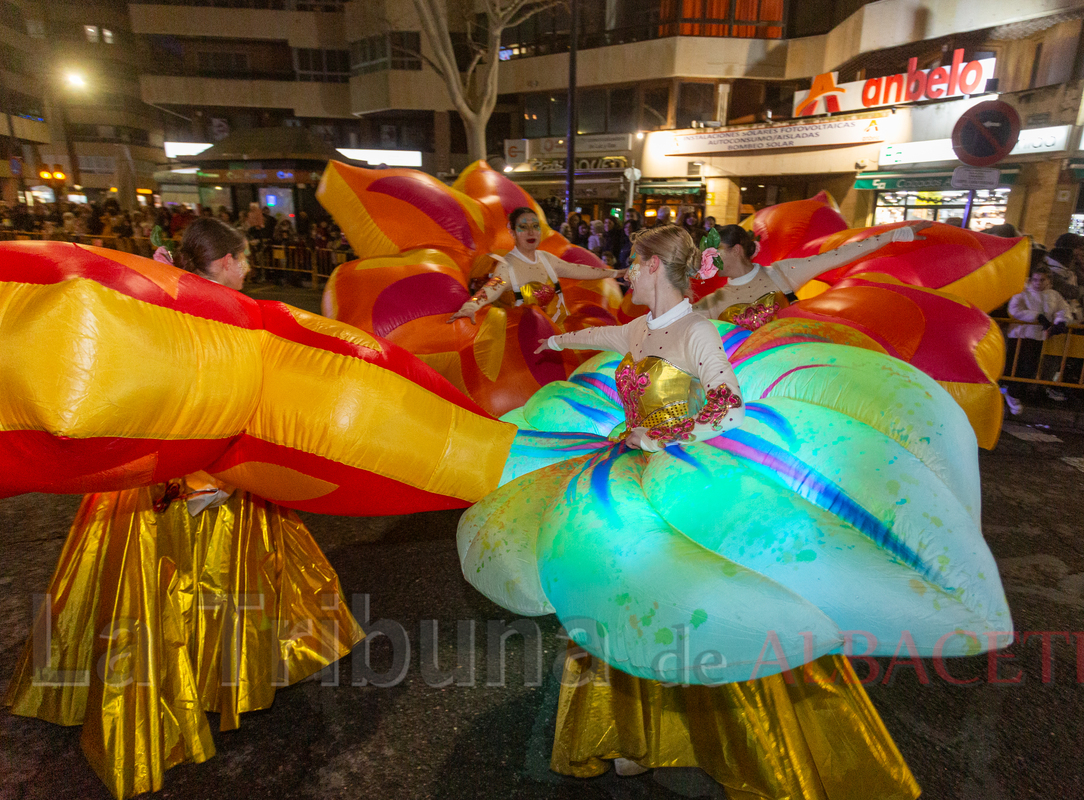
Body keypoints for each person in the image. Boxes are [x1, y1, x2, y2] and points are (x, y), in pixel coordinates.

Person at [466, 224, 953, 798]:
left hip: (679, 478)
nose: (626, 272)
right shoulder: (642, 327)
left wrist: (661, 437)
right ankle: (629, 733)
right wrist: (555, 344)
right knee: (619, 590)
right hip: (627, 469)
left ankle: (720, 734)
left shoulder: (698, 330)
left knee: (690, 597)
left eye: (632, 263)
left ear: (652, 268)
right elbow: (605, 336)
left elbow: (727, 406)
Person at [4, 217, 364, 799]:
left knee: (160, 587)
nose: (248, 270)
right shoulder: (215, 313)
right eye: (243, 260)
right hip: (192, 481)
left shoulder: (160, 301)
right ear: (224, 262)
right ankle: (196, 687)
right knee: (192, 586)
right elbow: (199, 402)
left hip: (160, 476)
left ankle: (188, 681)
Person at [692, 221, 929, 328]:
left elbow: (839, 255)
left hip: (792, 369)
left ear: (736, 250)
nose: (710, 260)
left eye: (716, 252)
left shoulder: (781, 273)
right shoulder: (714, 301)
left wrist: (895, 235)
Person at [448, 206, 621, 325]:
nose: (531, 232)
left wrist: (615, 273)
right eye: (523, 227)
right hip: (515, 342)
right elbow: (491, 289)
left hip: (547, 332)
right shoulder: (507, 266)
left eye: (535, 226)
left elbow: (578, 270)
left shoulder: (546, 259)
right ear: (513, 233)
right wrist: (470, 306)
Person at [1004, 261, 1074, 414]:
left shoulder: (1053, 295)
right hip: (1020, 334)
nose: (1038, 283)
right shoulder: (1023, 292)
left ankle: (1013, 393)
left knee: (1029, 367)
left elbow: (1063, 309)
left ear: (1048, 280)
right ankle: (1012, 394)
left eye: (1042, 280)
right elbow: (1015, 309)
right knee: (1018, 366)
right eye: (1035, 280)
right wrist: (1037, 316)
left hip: (1038, 336)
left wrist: (1061, 322)